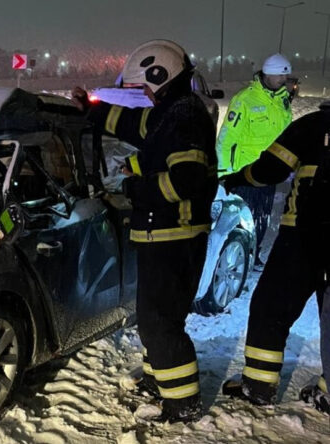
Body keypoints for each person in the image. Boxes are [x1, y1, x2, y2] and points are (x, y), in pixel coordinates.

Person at [73, 39, 217, 422]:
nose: (145, 95)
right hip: (172, 235)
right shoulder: (174, 112)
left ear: (162, 75)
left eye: (146, 87)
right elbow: (137, 128)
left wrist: (135, 188)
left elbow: (185, 179)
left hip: (174, 236)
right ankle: (161, 383)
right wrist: (92, 111)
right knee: (161, 317)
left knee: (158, 321)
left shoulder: (183, 117)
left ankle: (182, 404)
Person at [221, 102, 330, 409]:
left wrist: (236, 178)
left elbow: (270, 169)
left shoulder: (314, 124)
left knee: (271, 307)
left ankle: (258, 385)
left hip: (303, 234)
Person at [216, 54, 293, 269]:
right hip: (245, 172)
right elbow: (226, 138)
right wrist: (224, 171)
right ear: (268, 73)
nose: (284, 80)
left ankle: (253, 255)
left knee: (263, 218)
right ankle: (233, 260)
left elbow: (286, 135)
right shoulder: (245, 100)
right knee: (242, 219)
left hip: (270, 172)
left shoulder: (282, 101)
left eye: (285, 76)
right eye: (280, 75)